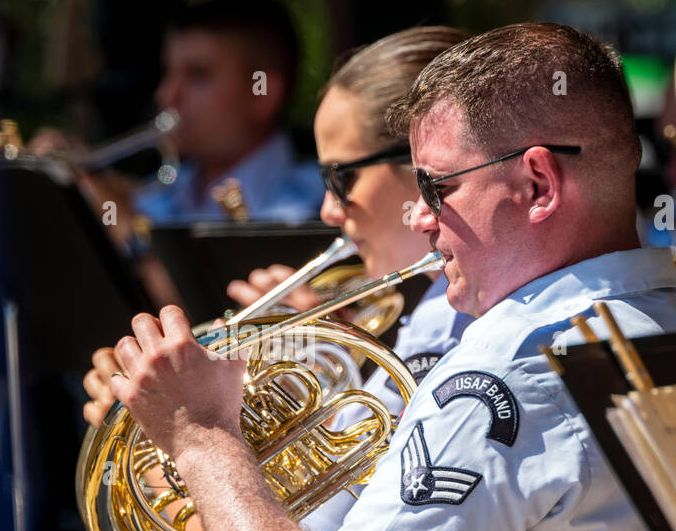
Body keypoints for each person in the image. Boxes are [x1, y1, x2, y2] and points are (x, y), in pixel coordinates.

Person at [105, 23, 676, 531]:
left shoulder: (503, 375)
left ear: (538, 184)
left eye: (436, 189)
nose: (420, 221)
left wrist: (200, 435)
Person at [82, 25, 475, 431]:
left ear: (421, 167)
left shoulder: (458, 325)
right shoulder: (438, 317)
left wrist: (181, 429)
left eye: (340, 180)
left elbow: (356, 491)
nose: (329, 211)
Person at [33, 0, 325, 230]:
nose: (166, 95)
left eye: (197, 75)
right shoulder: (161, 192)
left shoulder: (319, 202)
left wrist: (125, 228)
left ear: (263, 94)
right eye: (168, 73)